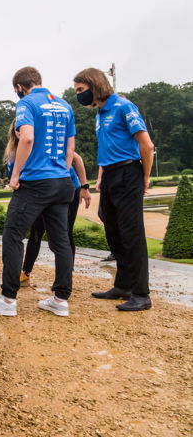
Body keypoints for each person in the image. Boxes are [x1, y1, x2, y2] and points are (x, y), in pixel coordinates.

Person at [0, 66, 76, 318]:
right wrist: (63, 169)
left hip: (35, 181)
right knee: (60, 241)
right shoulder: (65, 105)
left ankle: (8, 299)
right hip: (62, 180)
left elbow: (27, 138)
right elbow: (71, 145)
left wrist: (16, 174)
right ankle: (61, 299)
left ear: (19, 87)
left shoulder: (26, 104)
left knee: (13, 235)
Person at [74, 68, 155, 311]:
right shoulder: (100, 113)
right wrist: (101, 176)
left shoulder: (123, 107)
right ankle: (123, 286)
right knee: (111, 226)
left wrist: (145, 178)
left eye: (81, 90)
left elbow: (146, 145)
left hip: (129, 173)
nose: (79, 95)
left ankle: (141, 294)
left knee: (132, 234)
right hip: (109, 174)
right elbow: (107, 148)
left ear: (94, 85)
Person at [3, 122, 92, 286]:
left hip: (66, 188)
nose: (20, 132)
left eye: (23, 129)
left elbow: (77, 160)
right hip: (38, 192)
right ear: (14, 132)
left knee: (64, 233)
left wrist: (84, 187)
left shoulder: (46, 144)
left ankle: (66, 276)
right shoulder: (14, 153)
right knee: (36, 232)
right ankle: (26, 272)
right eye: (17, 129)